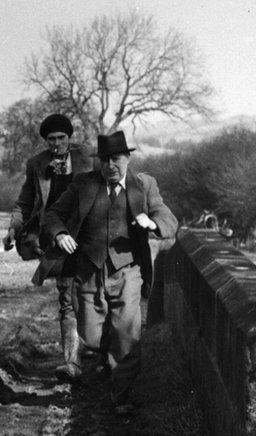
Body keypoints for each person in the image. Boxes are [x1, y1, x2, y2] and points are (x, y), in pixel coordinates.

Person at [42, 131, 177, 414]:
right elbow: (53, 215)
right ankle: (105, 355)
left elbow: (167, 217)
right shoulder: (83, 184)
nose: (110, 166)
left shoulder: (144, 184)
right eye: (104, 160)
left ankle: (121, 396)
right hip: (89, 269)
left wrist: (152, 223)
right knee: (90, 335)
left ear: (127, 158)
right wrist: (60, 234)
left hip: (127, 270)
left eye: (116, 159)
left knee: (127, 334)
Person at [4, 114, 93, 380]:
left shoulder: (87, 159)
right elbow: (25, 201)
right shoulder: (36, 164)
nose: (56, 143)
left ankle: (100, 352)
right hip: (57, 238)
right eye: (51, 139)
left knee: (94, 296)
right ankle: (72, 362)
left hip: (89, 237)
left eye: (61, 138)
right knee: (67, 298)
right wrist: (13, 229)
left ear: (70, 138)